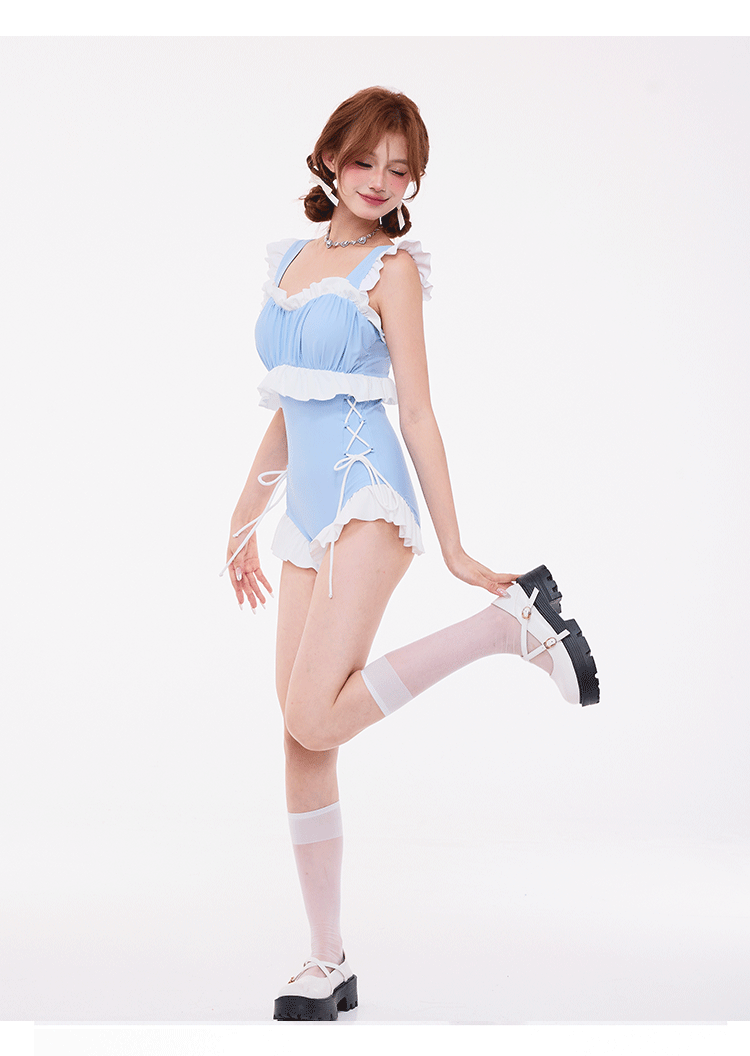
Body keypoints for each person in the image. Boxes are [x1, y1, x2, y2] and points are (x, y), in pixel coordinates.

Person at [221, 86, 599, 1022]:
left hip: (367, 499)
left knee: (313, 716)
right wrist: (242, 518)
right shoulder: (293, 259)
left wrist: (457, 547)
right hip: (306, 512)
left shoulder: (391, 270)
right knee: (300, 733)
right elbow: (291, 403)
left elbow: (419, 413)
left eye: (400, 170)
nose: (380, 181)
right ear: (329, 157)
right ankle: (326, 962)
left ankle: (501, 630)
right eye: (365, 161)